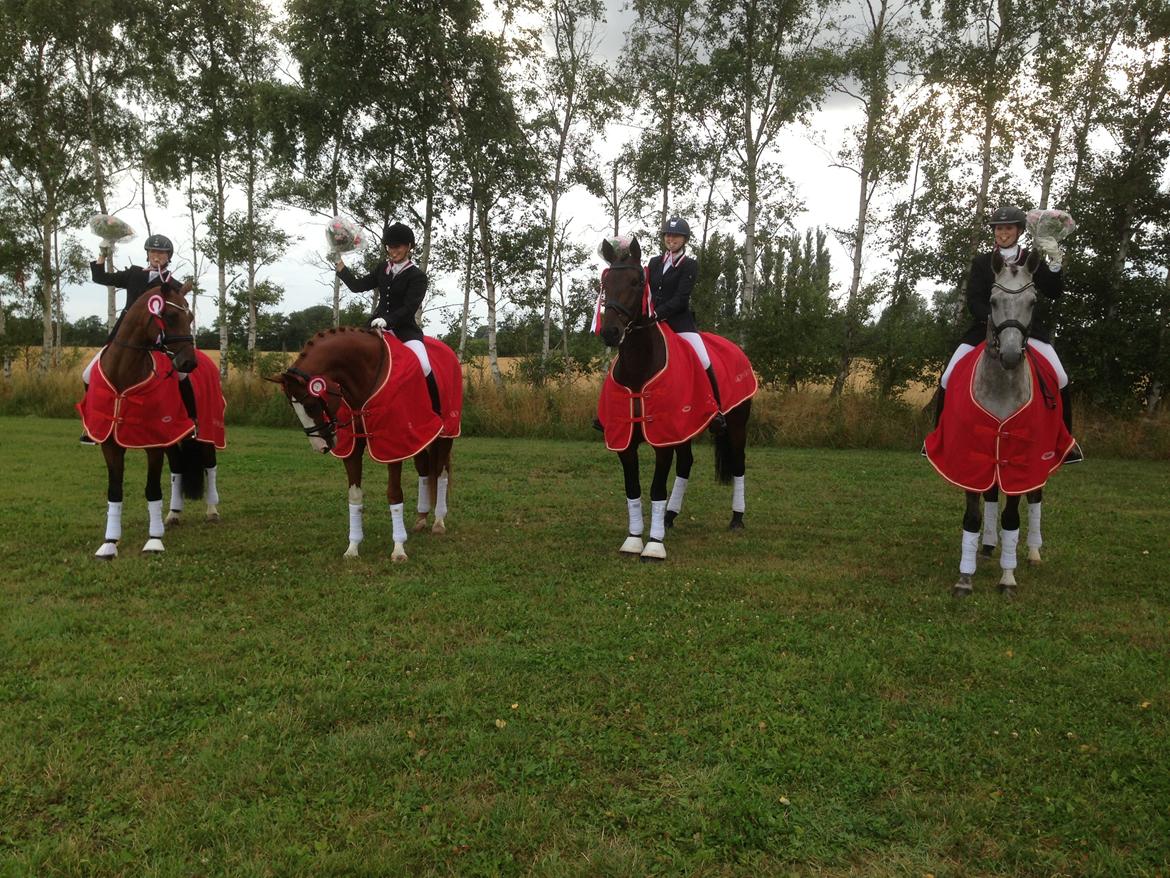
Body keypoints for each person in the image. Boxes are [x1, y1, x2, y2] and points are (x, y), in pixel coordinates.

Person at [934, 205, 1081, 463]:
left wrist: (1055, 263)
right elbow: (974, 300)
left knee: (1060, 375)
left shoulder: (1031, 260)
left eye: (1008, 228)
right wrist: (995, 320)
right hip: (986, 328)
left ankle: (1066, 441)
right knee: (947, 376)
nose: (1003, 233)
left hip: (1026, 330)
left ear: (1019, 231)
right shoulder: (982, 262)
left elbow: (1054, 292)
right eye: (999, 228)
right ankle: (939, 437)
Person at [80, 234, 186, 444]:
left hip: (157, 342)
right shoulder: (134, 274)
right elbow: (100, 278)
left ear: (168, 257)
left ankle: (189, 421)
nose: (157, 256)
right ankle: (93, 422)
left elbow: (178, 316)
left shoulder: (174, 285)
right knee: (88, 375)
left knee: (182, 376)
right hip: (124, 337)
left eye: (162, 253)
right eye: (153, 252)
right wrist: (103, 252)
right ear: (147, 254)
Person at [335, 221, 441, 416]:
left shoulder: (417, 276)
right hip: (375, 326)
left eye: (398, 247)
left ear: (409, 246)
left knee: (424, 365)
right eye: (390, 247)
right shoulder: (382, 268)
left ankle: (436, 412)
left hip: (404, 330)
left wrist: (389, 320)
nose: (393, 251)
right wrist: (340, 265)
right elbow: (358, 286)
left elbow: (409, 308)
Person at [648, 217, 726, 433]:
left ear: (684, 239)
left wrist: (657, 313)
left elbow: (681, 298)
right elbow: (645, 290)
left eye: (675, 235)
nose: (670, 238)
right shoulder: (654, 262)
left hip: (679, 323)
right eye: (667, 235)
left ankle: (716, 410)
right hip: (652, 322)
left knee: (703, 358)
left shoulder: (689, 265)